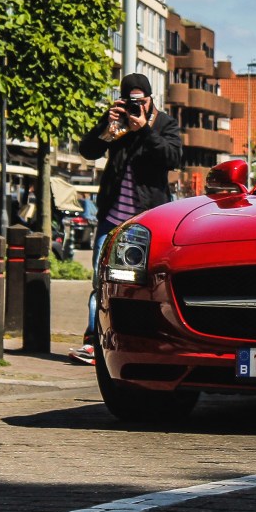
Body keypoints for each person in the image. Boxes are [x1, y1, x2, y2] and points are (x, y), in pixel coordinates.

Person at [71, 73, 181, 364]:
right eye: (131, 102)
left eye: (140, 101)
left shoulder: (164, 124)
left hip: (148, 223)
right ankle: (94, 340)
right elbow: (88, 151)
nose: (136, 107)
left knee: (146, 285)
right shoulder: (117, 122)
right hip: (112, 220)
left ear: (149, 99)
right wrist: (105, 126)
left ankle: (144, 340)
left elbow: (173, 157)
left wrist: (144, 128)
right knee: (101, 281)